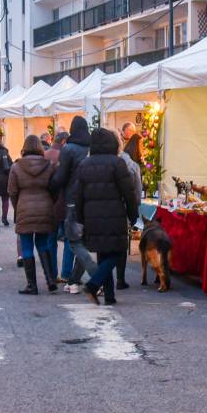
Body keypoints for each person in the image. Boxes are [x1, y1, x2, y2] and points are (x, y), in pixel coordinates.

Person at [75, 128, 138, 305]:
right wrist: (134, 216)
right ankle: (94, 284)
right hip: (114, 214)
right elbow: (129, 193)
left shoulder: (84, 164)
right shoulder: (117, 163)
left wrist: (80, 219)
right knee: (117, 252)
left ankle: (109, 297)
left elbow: (78, 195)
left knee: (103, 254)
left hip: (91, 216)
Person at [48, 116, 98, 294]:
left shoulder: (68, 149)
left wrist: (50, 185)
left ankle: (97, 277)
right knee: (81, 241)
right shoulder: (92, 148)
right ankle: (74, 281)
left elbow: (61, 177)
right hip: (91, 200)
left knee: (74, 241)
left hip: (72, 200)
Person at [8, 135, 57, 294]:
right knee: (43, 244)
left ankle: (32, 285)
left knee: (27, 246)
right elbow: (54, 188)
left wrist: (17, 207)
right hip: (45, 207)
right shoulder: (48, 166)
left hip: (24, 207)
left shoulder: (16, 167)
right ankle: (50, 280)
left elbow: (12, 191)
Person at [114, 128, 142, 290]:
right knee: (121, 244)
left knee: (105, 245)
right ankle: (120, 278)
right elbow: (136, 193)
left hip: (102, 209)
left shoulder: (98, 160)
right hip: (122, 209)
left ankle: (104, 279)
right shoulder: (131, 165)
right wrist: (134, 212)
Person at [44, 131, 69, 282]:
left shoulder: (45, 155)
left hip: (49, 204)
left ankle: (52, 274)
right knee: (69, 241)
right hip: (65, 204)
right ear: (64, 141)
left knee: (50, 241)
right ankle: (66, 273)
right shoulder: (67, 156)